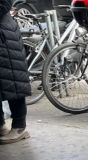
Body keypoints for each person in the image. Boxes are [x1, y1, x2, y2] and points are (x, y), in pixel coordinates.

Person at [0, 0, 32, 144]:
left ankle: (20, 127)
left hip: (5, 34)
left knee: (13, 81)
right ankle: (0, 125)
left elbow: (5, 3)